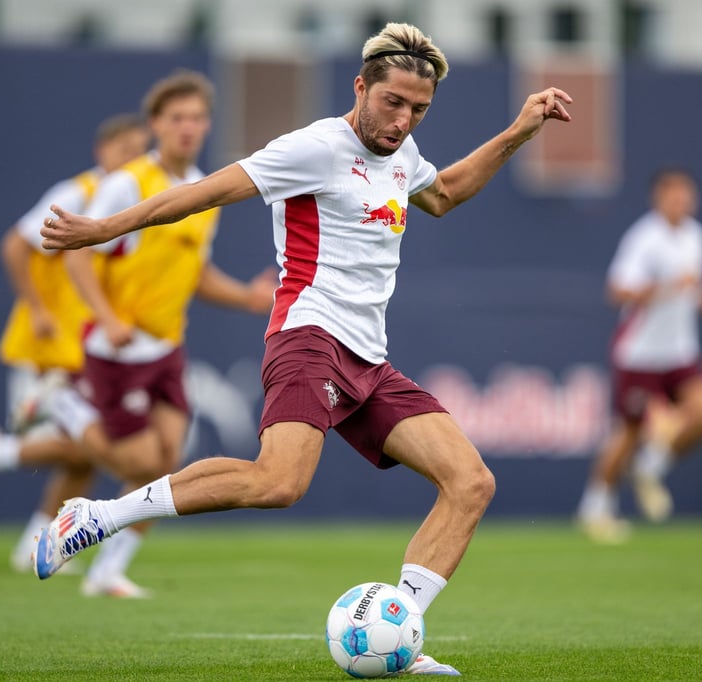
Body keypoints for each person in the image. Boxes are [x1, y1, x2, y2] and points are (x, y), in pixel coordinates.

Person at [37, 23, 572, 675]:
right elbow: (200, 194)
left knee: (470, 482)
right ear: (361, 87)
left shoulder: (402, 155)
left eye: (418, 109)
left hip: (368, 359)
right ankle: (96, 516)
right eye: (393, 102)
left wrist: (519, 130)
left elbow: (448, 193)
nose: (402, 120)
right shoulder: (315, 147)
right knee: (277, 482)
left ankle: (397, 633)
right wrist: (100, 229)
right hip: (309, 338)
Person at [0, 70, 276, 597]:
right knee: (136, 463)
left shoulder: (200, 187)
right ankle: (65, 408)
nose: (189, 127)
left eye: (197, 117)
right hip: (115, 350)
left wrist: (245, 297)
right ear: (156, 125)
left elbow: (194, 272)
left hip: (166, 346)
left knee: (167, 464)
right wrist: (105, 317)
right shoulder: (127, 182)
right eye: (177, 118)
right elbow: (79, 248)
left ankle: (107, 571)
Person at [0, 114, 149, 573]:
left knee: (83, 457)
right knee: (85, 445)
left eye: (140, 152)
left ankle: (32, 546)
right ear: (103, 151)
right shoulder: (76, 193)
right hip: (53, 339)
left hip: (88, 343)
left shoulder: (130, 198)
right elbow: (15, 246)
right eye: (125, 150)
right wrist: (37, 308)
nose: (133, 160)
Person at [576, 168, 702, 544]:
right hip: (640, 353)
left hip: (679, 351)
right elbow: (618, 292)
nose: (681, 201)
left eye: (686, 194)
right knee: (627, 433)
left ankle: (651, 465)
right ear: (659, 198)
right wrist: (664, 287)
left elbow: (693, 288)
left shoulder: (696, 236)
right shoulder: (645, 238)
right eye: (673, 195)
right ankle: (594, 507)